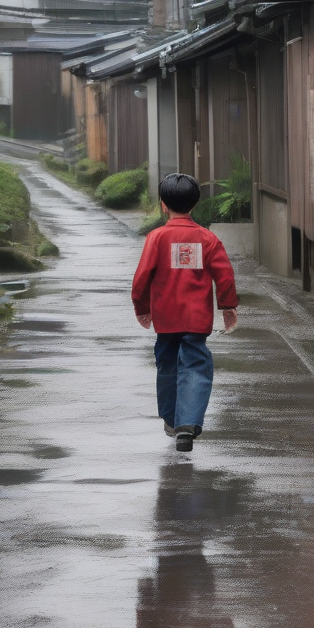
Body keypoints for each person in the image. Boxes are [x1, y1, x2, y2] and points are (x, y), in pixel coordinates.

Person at [132, 173, 238, 452]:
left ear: (163, 204)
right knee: (195, 366)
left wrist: (142, 308)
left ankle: (171, 419)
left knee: (167, 365)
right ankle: (187, 424)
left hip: (166, 318)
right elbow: (224, 275)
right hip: (196, 319)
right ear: (195, 205)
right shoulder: (207, 238)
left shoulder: (156, 238)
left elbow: (142, 277)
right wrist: (227, 306)